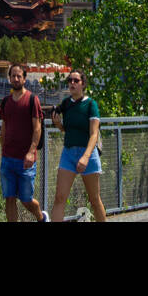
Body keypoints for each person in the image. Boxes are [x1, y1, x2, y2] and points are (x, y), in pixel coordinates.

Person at [51, 70, 107, 222]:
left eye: (76, 80)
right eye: (70, 80)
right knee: (60, 197)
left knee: (94, 200)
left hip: (88, 154)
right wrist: (58, 124)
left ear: (83, 84)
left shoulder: (90, 104)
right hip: (68, 153)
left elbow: (94, 134)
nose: (72, 83)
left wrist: (86, 157)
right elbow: (66, 130)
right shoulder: (66, 104)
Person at [0, 62, 48, 222]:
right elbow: (4, 126)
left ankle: (41, 217)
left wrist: (31, 152)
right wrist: (2, 149)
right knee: (9, 198)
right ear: (9, 79)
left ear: (24, 79)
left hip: (26, 160)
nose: (16, 78)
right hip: (8, 158)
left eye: (19, 76)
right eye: (13, 75)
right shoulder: (5, 102)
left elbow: (37, 129)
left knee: (26, 199)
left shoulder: (32, 99)